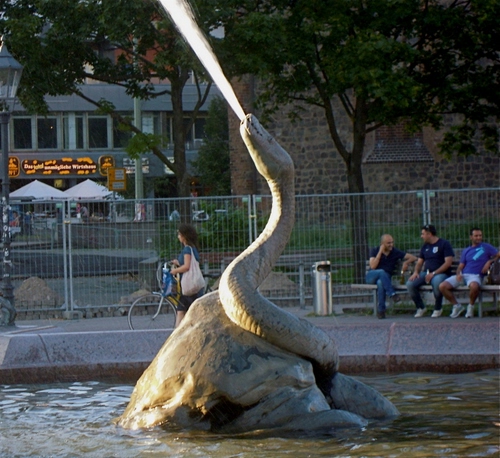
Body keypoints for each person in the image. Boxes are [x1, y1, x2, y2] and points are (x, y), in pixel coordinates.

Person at [439, 228, 499, 318]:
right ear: (471, 237)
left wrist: (489, 261)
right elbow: (461, 265)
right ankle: (457, 306)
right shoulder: (466, 250)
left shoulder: (486, 247)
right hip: (464, 275)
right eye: (476, 236)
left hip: (476, 276)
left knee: (474, 286)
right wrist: (458, 274)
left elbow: (498, 255)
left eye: (480, 235)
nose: (478, 238)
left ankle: (470, 306)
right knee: (442, 286)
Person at [406, 224, 455, 318]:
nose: (421, 236)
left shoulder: (444, 244)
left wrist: (434, 273)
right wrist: (416, 272)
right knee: (410, 284)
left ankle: (438, 308)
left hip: (441, 273)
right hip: (427, 273)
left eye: (423, 234)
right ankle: (421, 307)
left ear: (429, 234)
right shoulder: (425, 246)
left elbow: (448, 263)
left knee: (437, 282)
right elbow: (419, 262)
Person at [366, 234, 417, 319]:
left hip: (385, 278)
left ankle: (381, 311)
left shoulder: (395, 252)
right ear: (382, 244)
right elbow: (373, 266)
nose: (391, 245)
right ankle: (392, 294)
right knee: (381, 272)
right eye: (388, 243)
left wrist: (406, 262)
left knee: (380, 282)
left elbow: (413, 257)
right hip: (372, 276)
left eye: (392, 242)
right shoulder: (375, 250)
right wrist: (380, 252)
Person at [169, 223, 204, 327]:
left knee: (181, 311)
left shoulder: (187, 249)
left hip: (188, 285)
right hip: (193, 285)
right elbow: (189, 264)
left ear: (184, 236)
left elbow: (187, 267)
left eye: (179, 234)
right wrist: (178, 263)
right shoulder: (193, 248)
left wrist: (175, 271)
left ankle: (177, 333)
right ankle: (179, 332)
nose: (178, 237)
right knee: (183, 311)